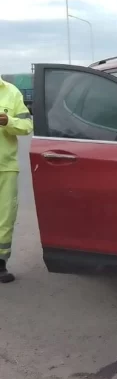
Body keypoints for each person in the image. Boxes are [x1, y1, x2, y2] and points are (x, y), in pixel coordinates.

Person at [0, 76, 33, 283]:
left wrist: (8, 121)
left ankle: (0, 264)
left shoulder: (11, 92)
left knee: (5, 218)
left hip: (6, 167)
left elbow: (27, 125)